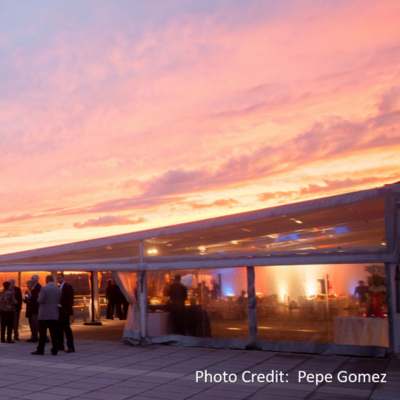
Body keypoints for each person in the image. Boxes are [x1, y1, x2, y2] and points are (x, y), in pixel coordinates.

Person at [31, 275, 62, 356]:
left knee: (42, 333)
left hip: (44, 314)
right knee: (54, 333)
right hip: (54, 313)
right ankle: (55, 349)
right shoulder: (58, 289)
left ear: (46, 280)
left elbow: (40, 300)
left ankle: (40, 349)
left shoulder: (44, 288)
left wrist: (38, 296)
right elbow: (59, 300)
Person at [56, 272, 75, 353]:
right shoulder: (58, 287)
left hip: (64, 311)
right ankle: (60, 345)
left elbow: (70, 299)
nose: (58, 280)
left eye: (59, 278)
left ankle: (71, 346)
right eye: (57, 278)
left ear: (63, 278)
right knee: (59, 329)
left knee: (67, 329)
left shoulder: (68, 287)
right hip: (59, 311)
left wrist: (66, 309)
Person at [27, 274, 41, 343]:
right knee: (33, 323)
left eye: (32, 279)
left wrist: (31, 297)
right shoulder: (34, 288)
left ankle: (42, 336)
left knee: (36, 323)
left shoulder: (38, 288)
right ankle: (34, 336)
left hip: (35, 308)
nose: (31, 281)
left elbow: (36, 298)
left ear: (34, 279)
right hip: (32, 309)